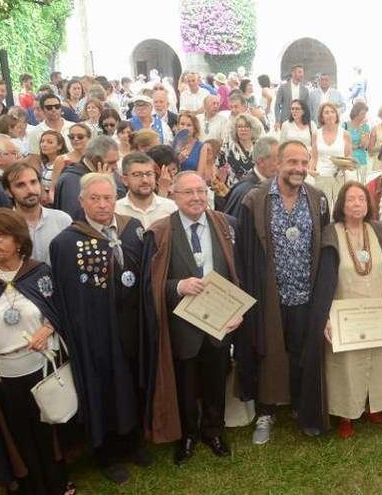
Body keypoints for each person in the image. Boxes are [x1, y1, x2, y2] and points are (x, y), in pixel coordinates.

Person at [0, 208, 74, 494]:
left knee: (47, 428)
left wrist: (48, 328)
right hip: (0, 374)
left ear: (18, 240)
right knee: (16, 432)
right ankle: (27, 483)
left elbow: (57, 312)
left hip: (39, 367)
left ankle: (57, 482)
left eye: (0, 237)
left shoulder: (38, 273)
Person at [49, 173, 151, 483]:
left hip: (132, 328)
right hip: (94, 335)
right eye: (95, 198)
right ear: (81, 201)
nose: (103, 204)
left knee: (133, 382)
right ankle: (106, 453)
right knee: (103, 389)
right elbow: (68, 295)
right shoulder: (66, 243)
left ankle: (132, 441)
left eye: (108, 198)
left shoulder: (132, 228)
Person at [234, 140, 330, 444]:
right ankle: (267, 411)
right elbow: (244, 251)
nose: (299, 169)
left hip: (306, 294)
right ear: (277, 162)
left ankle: (304, 409)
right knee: (268, 353)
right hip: (269, 296)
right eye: (292, 162)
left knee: (304, 353)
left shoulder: (318, 199)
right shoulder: (255, 199)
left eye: (304, 162)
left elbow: (325, 247)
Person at [144, 171, 242, 464]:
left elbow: (238, 271)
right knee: (184, 383)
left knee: (216, 379)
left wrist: (237, 311)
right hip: (183, 324)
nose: (197, 197)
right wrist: (178, 286)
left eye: (201, 191)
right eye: (188, 192)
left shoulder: (225, 224)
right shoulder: (161, 231)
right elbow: (150, 281)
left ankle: (213, 431)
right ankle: (187, 434)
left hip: (219, 321)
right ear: (173, 196)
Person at [300, 181, 382, 438]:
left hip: (376, 315)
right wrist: (326, 317)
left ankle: (373, 405)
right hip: (343, 315)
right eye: (351, 199)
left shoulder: (379, 230)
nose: (357, 204)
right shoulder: (331, 233)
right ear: (341, 205)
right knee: (345, 364)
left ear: (368, 205)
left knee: (377, 360)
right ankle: (346, 413)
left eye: (362, 199)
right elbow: (324, 280)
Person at [3, 162, 72, 265]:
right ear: (8, 192)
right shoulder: (4, 225)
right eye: (20, 185)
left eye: (33, 182)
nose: (30, 190)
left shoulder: (62, 220)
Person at [54, 135, 124, 218]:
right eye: (111, 162)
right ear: (95, 160)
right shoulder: (70, 180)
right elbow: (76, 215)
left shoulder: (109, 174)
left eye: (116, 162)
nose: (115, 167)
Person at [220, 136, 279, 217]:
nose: (282, 165)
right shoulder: (246, 192)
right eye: (277, 160)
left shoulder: (272, 185)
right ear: (261, 161)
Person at [115, 152, 178, 228]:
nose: (145, 180)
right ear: (125, 180)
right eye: (137, 175)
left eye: (149, 174)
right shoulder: (116, 211)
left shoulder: (171, 208)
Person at [311, 102, 353, 210]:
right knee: (323, 209)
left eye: (332, 112)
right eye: (326, 112)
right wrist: (311, 170)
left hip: (339, 177)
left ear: (336, 115)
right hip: (321, 176)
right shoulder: (316, 134)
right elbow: (314, 157)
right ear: (321, 117)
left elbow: (348, 155)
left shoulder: (345, 134)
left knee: (340, 208)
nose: (330, 115)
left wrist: (345, 165)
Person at [27, 93, 74, 170]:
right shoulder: (35, 132)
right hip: (47, 175)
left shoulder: (73, 127)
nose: (54, 109)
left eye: (57, 106)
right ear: (43, 110)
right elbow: (35, 160)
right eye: (49, 107)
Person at [49, 123, 92, 205]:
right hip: (67, 202)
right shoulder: (61, 160)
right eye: (72, 137)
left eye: (80, 136)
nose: (75, 139)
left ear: (89, 138)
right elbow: (53, 188)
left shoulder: (94, 159)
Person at [175, 112, 212, 179]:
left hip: (193, 183)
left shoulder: (202, 147)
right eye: (182, 124)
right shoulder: (172, 145)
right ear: (178, 126)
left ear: (195, 128)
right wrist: (178, 161)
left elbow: (200, 174)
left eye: (189, 125)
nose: (185, 128)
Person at [344, 102, 372, 180]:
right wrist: (355, 146)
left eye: (365, 114)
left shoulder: (365, 127)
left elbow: (364, 145)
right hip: (348, 160)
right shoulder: (345, 126)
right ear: (356, 112)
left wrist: (361, 127)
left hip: (361, 159)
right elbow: (343, 144)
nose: (363, 116)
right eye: (362, 114)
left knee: (361, 184)